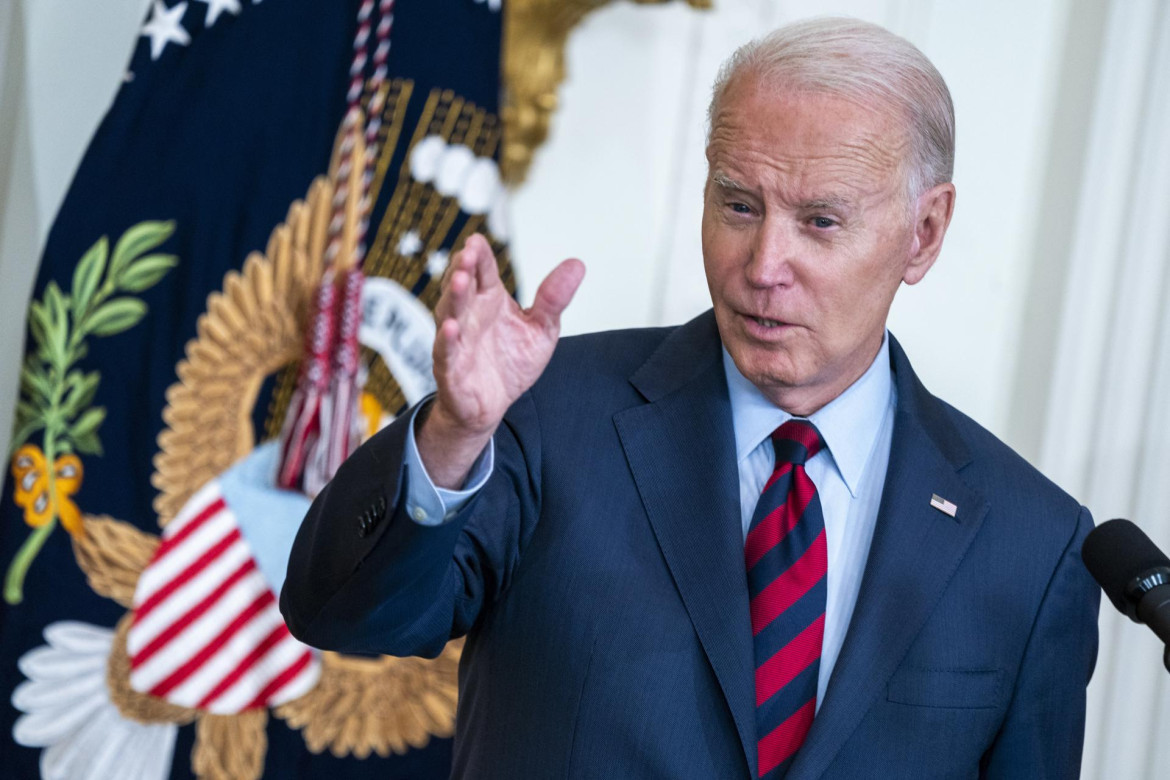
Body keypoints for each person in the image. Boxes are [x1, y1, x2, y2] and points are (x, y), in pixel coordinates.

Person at [281, 17, 1100, 778]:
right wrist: (456, 434)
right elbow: (346, 614)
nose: (763, 263)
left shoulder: (1033, 545)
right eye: (738, 205)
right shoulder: (545, 416)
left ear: (923, 233)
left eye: (820, 222)